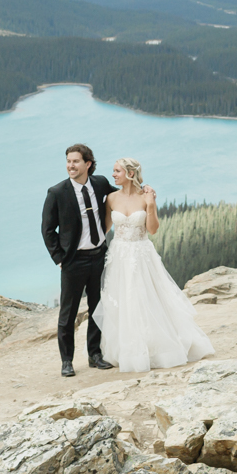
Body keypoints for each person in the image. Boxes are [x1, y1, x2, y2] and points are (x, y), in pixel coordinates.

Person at [91, 157, 214, 372]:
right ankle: (128, 349)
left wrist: (149, 206)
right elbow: (103, 229)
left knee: (147, 297)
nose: (113, 174)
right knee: (124, 300)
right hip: (119, 255)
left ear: (130, 173)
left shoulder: (146, 196)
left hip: (142, 254)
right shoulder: (110, 198)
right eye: (113, 171)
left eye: (117, 171)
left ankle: (157, 348)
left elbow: (153, 229)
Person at [41, 143, 118, 377]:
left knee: (98, 308)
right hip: (73, 262)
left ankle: (95, 355)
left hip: (99, 257)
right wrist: (60, 259)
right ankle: (67, 361)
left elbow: (122, 194)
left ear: (88, 164)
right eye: (68, 161)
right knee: (68, 313)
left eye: (75, 161)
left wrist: (144, 189)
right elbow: (47, 230)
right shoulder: (57, 192)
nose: (70, 166)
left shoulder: (100, 183)